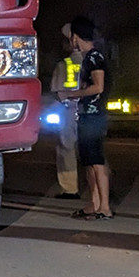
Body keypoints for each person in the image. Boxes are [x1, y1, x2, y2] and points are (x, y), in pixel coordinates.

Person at [57, 17, 112, 219]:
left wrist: (73, 94)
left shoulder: (94, 57)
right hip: (87, 114)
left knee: (96, 161)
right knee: (88, 161)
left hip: (94, 114)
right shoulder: (88, 57)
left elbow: (99, 86)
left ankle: (104, 207)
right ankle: (94, 203)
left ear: (75, 36)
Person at [48, 24, 83, 199]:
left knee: (66, 149)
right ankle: (100, 189)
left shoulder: (64, 65)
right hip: (90, 111)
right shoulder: (93, 62)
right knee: (93, 151)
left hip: (69, 110)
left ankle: (70, 188)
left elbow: (57, 92)